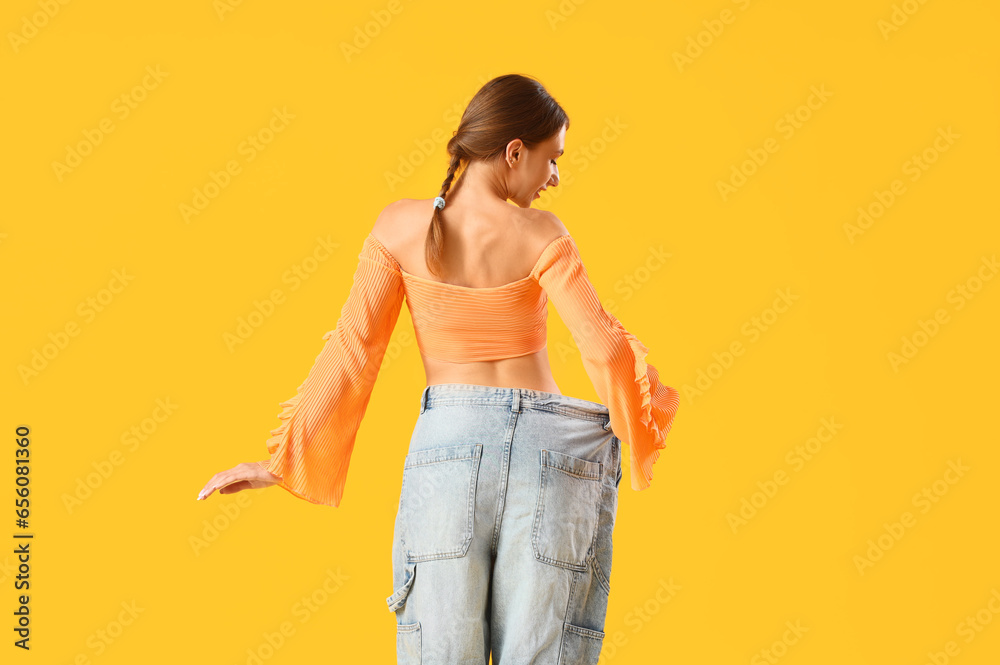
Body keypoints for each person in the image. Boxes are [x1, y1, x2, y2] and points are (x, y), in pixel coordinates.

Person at [196, 73, 680, 664]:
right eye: (552, 160)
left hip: (450, 447)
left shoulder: (398, 228)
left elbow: (355, 349)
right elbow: (602, 348)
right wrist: (641, 421)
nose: (555, 178)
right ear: (513, 152)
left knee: (442, 650)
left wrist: (281, 463)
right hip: (552, 455)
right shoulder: (542, 233)